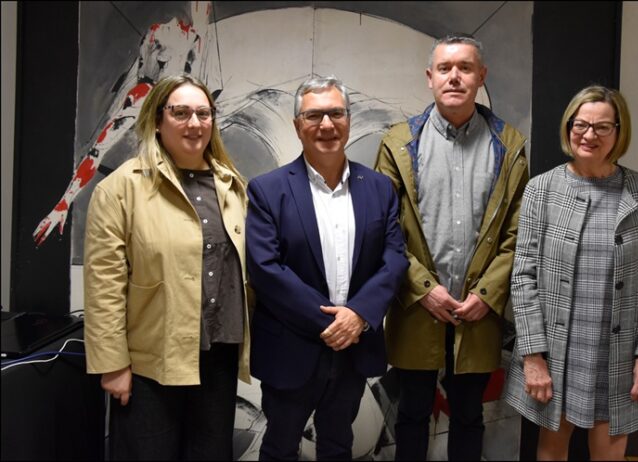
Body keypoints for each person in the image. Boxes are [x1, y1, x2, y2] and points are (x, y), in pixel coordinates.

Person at [373, 33, 529, 460]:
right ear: (430, 77)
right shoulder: (398, 144)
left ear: (481, 75)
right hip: (415, 306)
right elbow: (384, 228)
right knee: (411, 412)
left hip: (477, 313)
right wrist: (423, 289)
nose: (454, 77)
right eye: (445, 68)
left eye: (465, 68)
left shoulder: (509, 146)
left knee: (468, 414)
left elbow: (517, 233)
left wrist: (487, 294)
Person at [83, 74, 251, 460]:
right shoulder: (122, 188)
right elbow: (104, 283)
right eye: (181, 113)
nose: (195, 123)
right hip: (151, 362)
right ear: (158, 120)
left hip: (218, 357)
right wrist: (112, 365)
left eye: (203, 113)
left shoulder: (231, 185)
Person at [503, 85, 638, 460]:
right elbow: (523, 277)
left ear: (619, 131)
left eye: (602, 127)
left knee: (609, 452)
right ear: (568, 127)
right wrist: (532, 356)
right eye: (580, 124)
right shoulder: (542, 190)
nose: (589, 135)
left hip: (618, 353)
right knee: (551, 449)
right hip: (557, 349)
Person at [245, 75, 409, 460]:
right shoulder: (267, 189)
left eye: (336, 113)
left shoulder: (379, 188)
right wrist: (333, 323)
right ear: (297, 125)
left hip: (354, 350)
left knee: (339, 447)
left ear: (348, 119)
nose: (326, 124)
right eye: (314, 115)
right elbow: (266, 268)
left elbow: (394, 258)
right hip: (290, 350)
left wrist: (359, 315)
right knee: (280, 449)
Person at [33, 1, 217, 246]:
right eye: (161, 34)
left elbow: (199, 26)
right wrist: (64, 203)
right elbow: (96, 153)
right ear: (158, 57)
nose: (172, 22)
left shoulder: (190, 95)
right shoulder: (142, 97)